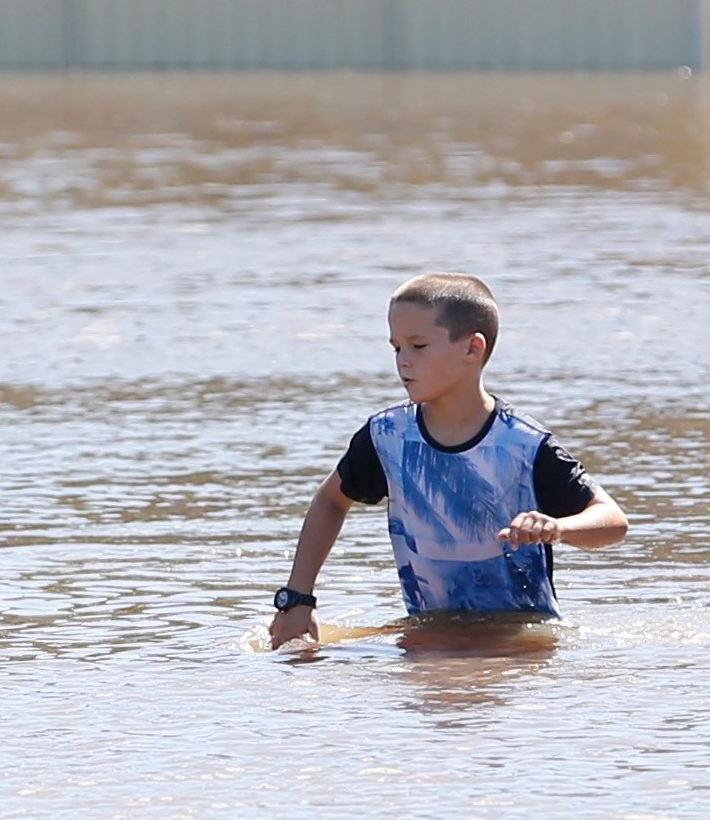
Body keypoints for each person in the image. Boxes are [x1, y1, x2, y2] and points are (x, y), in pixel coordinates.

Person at [268, 272, 628, 649]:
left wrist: (557, 527)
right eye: (396, 348)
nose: (402, 362)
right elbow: (330, 500)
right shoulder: (387, 437)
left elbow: (613, 522)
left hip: (520, 644)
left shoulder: (524, 444)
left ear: (472, 349)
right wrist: (297, 598)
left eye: (418, 346)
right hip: (429, 635)